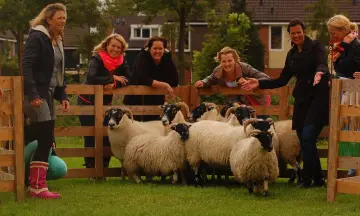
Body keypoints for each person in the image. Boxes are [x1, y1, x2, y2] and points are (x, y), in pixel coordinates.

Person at [242, 19, 330, 188]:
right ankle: (318, 180)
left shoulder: (316, 47)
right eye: (293, 33)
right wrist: (259, 83)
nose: (297, 35)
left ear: (304, 32)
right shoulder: (291, 55)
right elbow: (281, 80)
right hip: (302, 100)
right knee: (305, 140)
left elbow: (322, 63)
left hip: (318, 99)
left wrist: (320, 72)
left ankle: (306, 179)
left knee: (308, 136)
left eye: (299, 32)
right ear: (289, 35)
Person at [23, 3, 69, 199]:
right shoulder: (37, 37)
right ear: (48, 19)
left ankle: (37, 186)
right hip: (37, 95)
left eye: (65, 19)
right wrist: (32, 94)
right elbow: (26, 65)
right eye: (60, 18)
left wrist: (63, 95)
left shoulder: (57, 40)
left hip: (49, 94)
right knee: (45, 137)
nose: (63, 22)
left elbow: (58, 71)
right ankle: (37, 187)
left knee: (46, 138)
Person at [77, 34, 130, 176]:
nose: (115, 49)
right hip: (86, 101)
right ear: (107, 45)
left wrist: (113, 83)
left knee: (107, 135)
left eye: (119, 47)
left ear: (122, 50)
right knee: (90, 135)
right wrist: (112, 78)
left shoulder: (122, 61)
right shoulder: (97, 58)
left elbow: (129, 78)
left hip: (106, 103)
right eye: (113, 46)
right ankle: (90, 169)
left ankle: (103, 169)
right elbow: (91, 77)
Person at [194, 46, 271, 119]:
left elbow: (266, 78)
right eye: (224, 61)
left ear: (235, 60)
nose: (227, 64)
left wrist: (252, 82)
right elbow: (210, 79)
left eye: (230, 60)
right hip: (238, 102)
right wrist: (202, 82)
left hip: (257, 100)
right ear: (220, 62)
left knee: (262, 123)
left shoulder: (245, 68)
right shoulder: (218, 71)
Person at [328, 15, 360, 177]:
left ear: (344, 30)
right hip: (341, 89)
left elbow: (348, 66)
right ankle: (349, 164)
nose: (332, 37)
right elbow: (338, 67)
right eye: (331, 34)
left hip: (354, 91)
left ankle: (353, 166)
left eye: (334, 33)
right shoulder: (340, 47)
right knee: (343, 126)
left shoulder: (354, 46)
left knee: (352, 127)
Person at [123, 36, 179, 121]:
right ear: (149, 48)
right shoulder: (142, 57)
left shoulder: (166, 58)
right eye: (155, 48)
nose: (158, 51)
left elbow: (175, 80)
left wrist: (163, 85)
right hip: (137, 101)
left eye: (160, 48)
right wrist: (164, 84)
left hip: (156, 102)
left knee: (155, 131)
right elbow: (142, 78)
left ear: (164, 49)